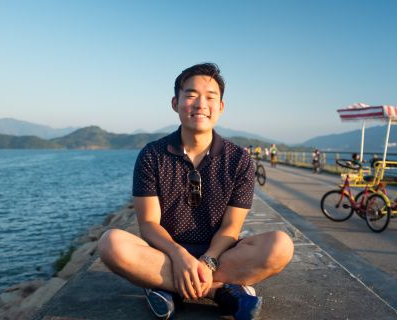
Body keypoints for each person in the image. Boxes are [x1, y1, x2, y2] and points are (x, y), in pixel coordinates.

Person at [98, 63, 293, 320]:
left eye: (210, 97)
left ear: (221, 107)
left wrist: (207, 260)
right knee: (110, 243)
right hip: (165, 254)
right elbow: (148, 223)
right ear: (175, 102)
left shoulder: (239, 160)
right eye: (190, 95)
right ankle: (218, 291)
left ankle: (167, 287)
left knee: (281, 245)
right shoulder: (152, 155)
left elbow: (231, 228)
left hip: (222, 256)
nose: (201, 104)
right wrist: (179, 256)